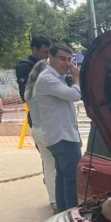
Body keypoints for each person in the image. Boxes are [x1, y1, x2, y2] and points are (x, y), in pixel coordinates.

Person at [35, 44, 82, 212]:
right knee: (72, 178)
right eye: (62, 59)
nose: (67, 63)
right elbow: (75, 95)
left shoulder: (56, 77)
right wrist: (77, 78)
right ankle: (73, 217)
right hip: (63, 137)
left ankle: (64, 214)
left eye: (69, 59)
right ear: (51, 59)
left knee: (63, 176)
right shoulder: (48, 78)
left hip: (60, 136)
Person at [24, 60, 57, 212]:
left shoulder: (29, 90)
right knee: (58, 168)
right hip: (49, 131)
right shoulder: (43, 88)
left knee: (48, 166)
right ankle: (59, 199)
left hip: (36, 130)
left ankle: (53, 200)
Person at [15, 35, 51, 115]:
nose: (47, 55)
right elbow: (25, 91)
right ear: (35, 50)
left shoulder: (46, 65)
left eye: (49, 52)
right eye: (45, 52)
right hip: (35, 108)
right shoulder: (25, 66)